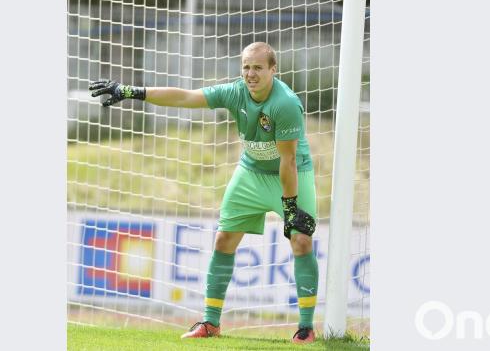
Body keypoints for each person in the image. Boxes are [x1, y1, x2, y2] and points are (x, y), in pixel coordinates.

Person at [89, 42, 319, 344]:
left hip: (290, 174)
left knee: (301, 241)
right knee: (223, 239)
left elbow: (287, 161)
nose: (250, 73)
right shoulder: (234, 92)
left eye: (258, 67)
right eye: (246, 67)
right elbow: (186, 97)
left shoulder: (285, 104)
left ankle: (306, 328)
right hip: (250, 173)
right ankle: (210, 322)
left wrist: (289, 209)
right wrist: (133, 91)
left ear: (273, 70)